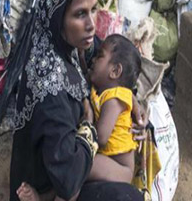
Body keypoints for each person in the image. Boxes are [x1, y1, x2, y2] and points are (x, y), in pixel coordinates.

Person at [1, 0, 144, 201]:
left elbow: (115, 69)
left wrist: (133, 104)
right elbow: (67, 182)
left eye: (93, 9)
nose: (91, 25)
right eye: (80, 14)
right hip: (50, 181)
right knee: (128, 197)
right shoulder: (51, 89)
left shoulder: (70, 41)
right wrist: (88, 126)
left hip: (68, 159)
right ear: (58, 17)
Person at [17, 34, 141, 201]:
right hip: (108, 159)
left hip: (120, 168)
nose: (94, 60)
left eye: (99, 56)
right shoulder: (102, 90)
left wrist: (86, 123)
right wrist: (82, 57)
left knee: (78, 169)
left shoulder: (115, 99)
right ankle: (47, 197)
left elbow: (102, 137)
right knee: (77, 168)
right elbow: (83, 76)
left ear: (115, 71)